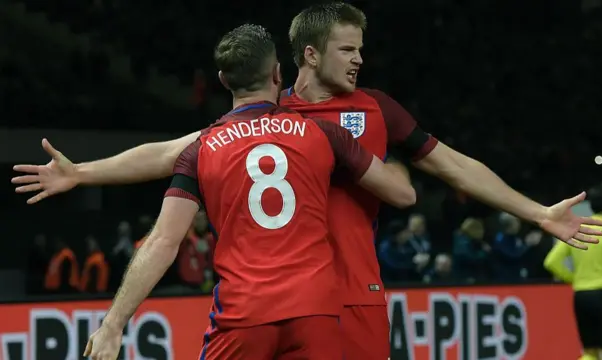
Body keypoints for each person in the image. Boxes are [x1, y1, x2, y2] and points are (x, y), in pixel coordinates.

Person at [13, 4, 602, 359]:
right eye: (347, 49)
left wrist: (536, 213)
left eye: (361, 50)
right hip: (301, 302)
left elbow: (452, 164)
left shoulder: (375, 109)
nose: (358, 60)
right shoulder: (276, 119)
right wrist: (84, 171)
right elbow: (170, 151)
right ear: (305, 55)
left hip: (358, 297)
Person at [82, 24, 415, 360]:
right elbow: (402, 194)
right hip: (314, 313)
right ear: (277, 73)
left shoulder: (204, 148)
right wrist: (397, 163)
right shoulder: (322, 134)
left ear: (224, 81)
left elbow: (162, 242)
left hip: (244, 315)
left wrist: (113, 324)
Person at [544, 183, 602, 360]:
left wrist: (575, 279)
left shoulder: (579, 229)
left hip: (581, 296)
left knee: (589, 353)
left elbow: (551, 262)